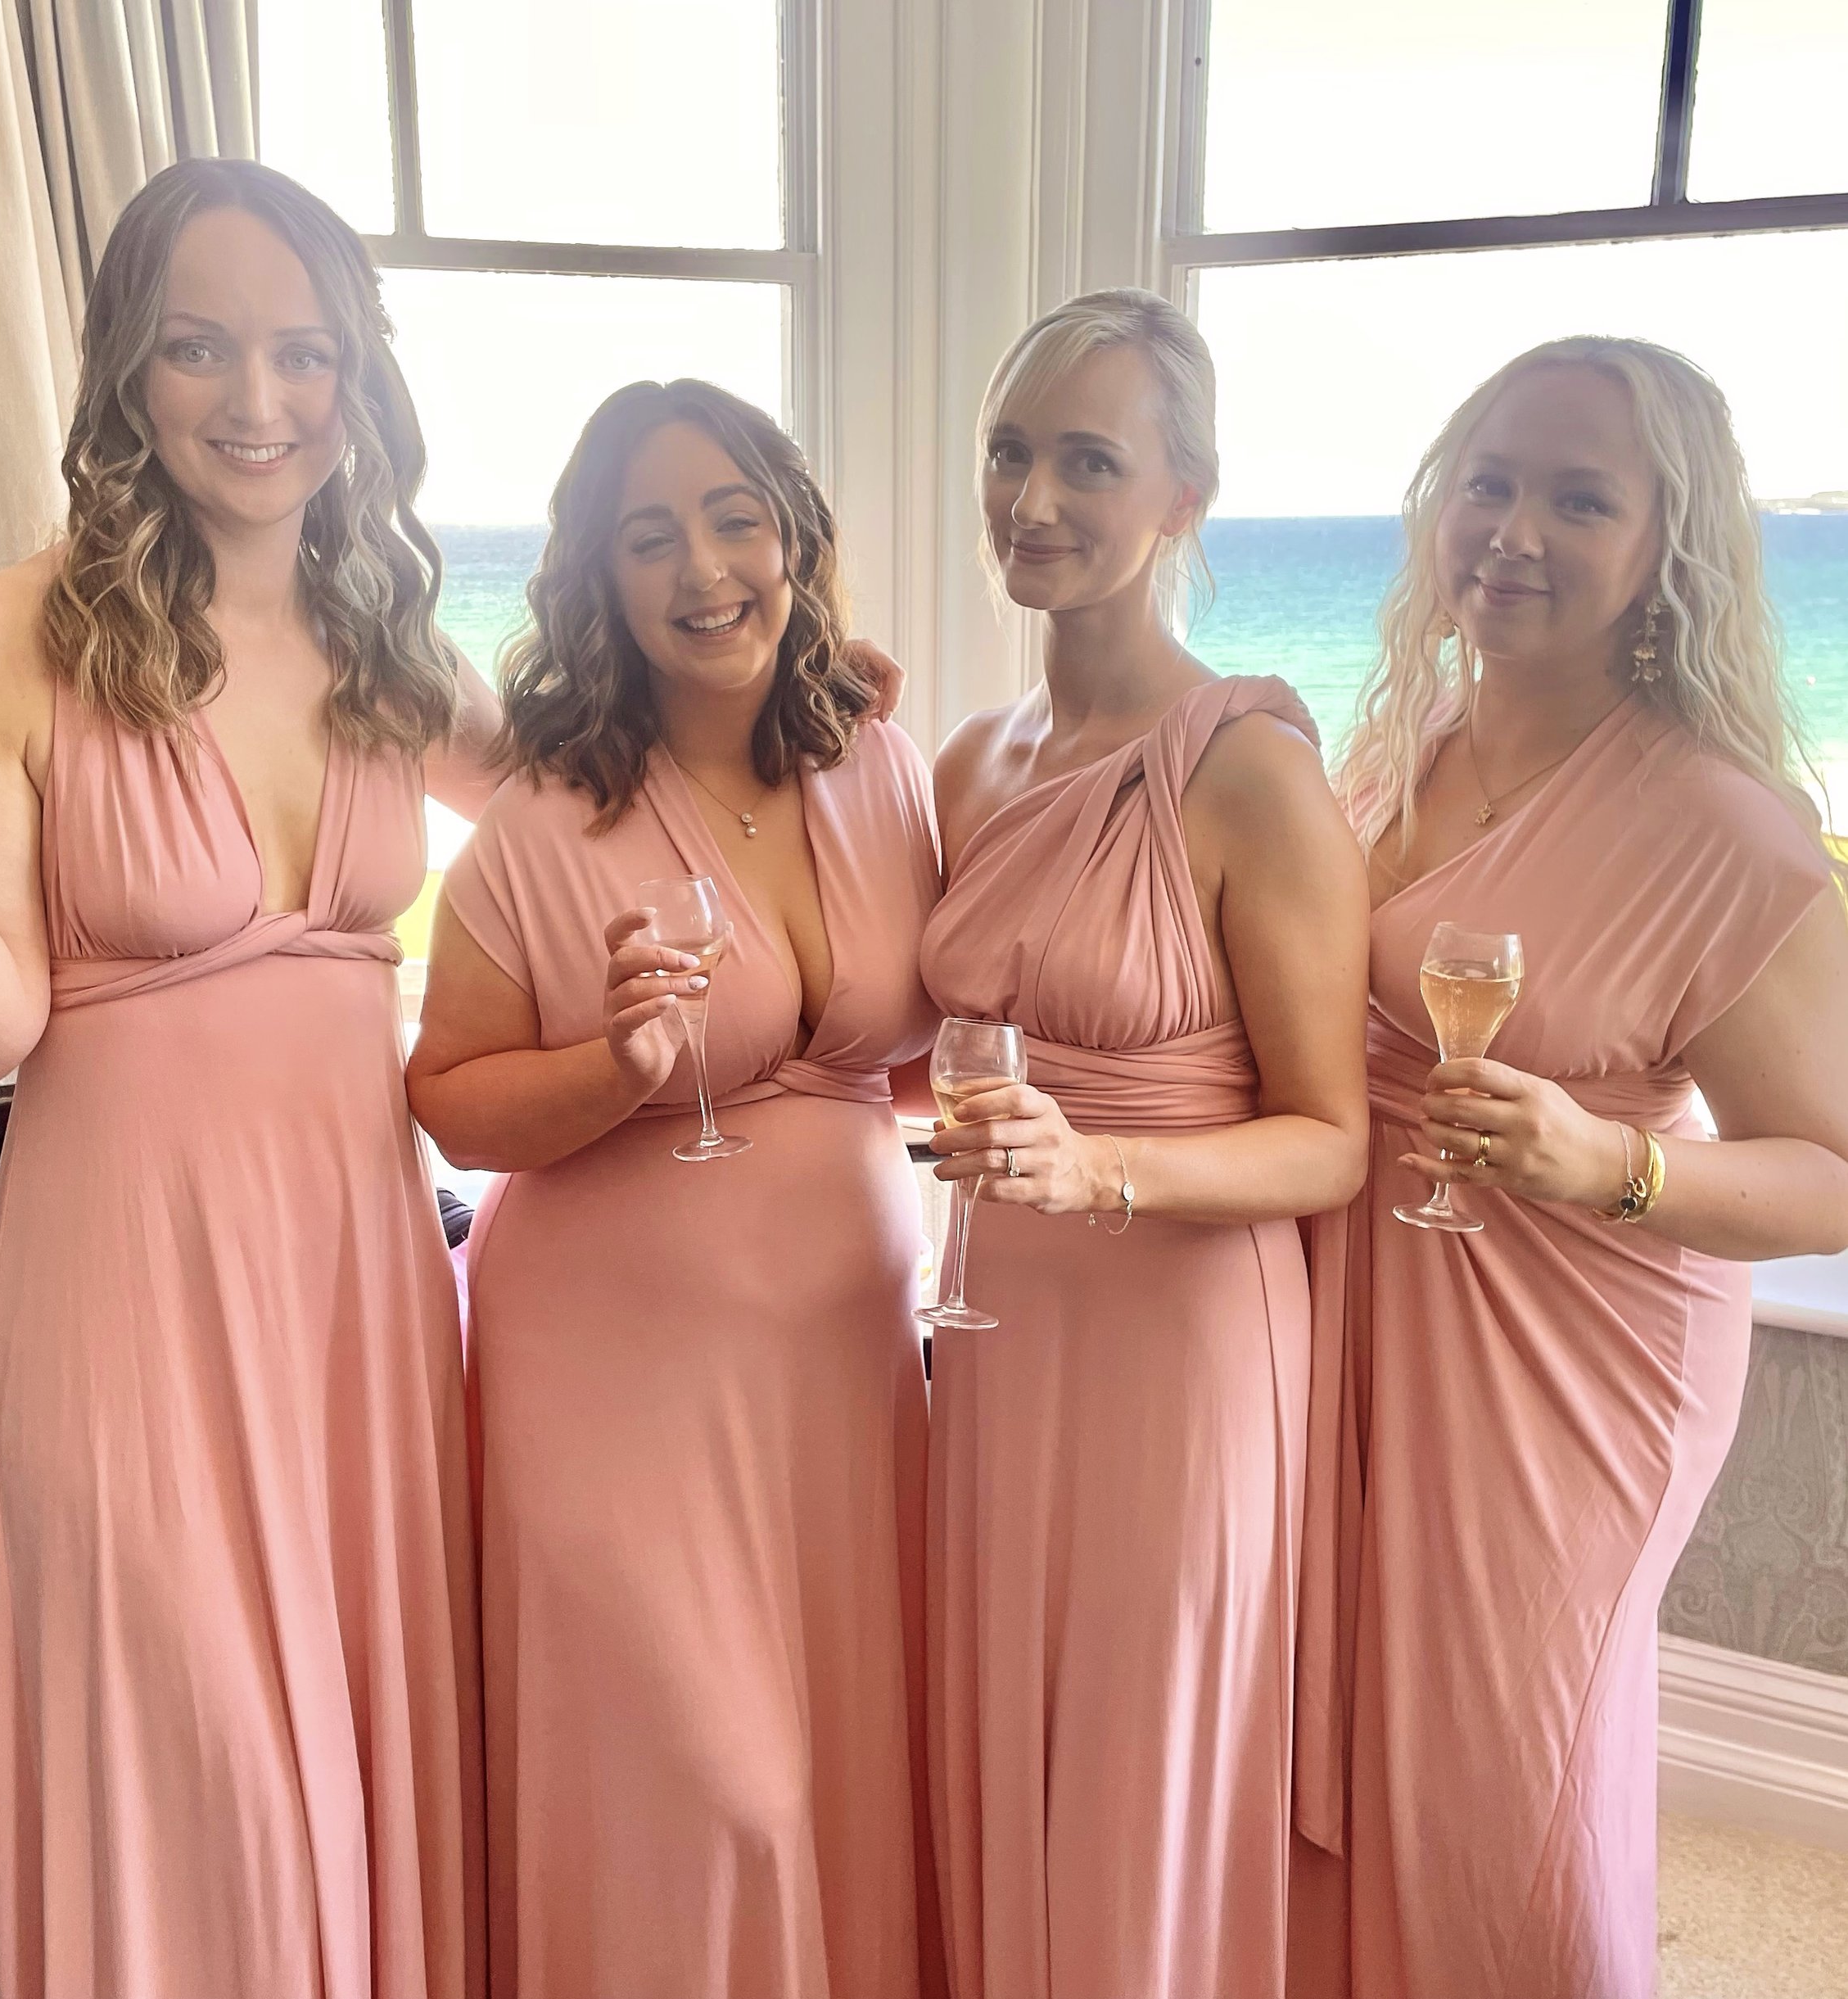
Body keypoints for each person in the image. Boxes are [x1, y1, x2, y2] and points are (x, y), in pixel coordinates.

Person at [0, 158, 499, 1997]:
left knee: (355, 1741)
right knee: (199, 1769)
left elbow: (600, 793)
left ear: (356, 375)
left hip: (355, 1285)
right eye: (199, 349)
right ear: (126, 366)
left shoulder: (390, 640)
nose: (257, 401)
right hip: (128, 1290)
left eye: (302, 352)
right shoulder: (5, 630)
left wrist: (793, 689)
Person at [1288, 337, 1848, 1999]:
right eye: (1489, 483)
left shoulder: (1724, 832)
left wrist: (1609, 1159)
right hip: (1354, 1295)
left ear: (1664, 546)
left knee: (1504, 1788)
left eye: (1579, 500)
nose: (1512, 532)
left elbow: (1831, 1173)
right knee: (1341, 1754)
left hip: (1572, 1357)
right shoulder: (1394, 749)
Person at [405, 378, 943, 1997]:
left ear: (793, 540)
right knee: (717, 1791)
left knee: (842, 1766)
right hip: (617, 1383)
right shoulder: (542, 819)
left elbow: (906, 1055)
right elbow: (449, 1098)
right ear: (600, 577)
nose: (705, 568)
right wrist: (615, 1070)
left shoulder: (881, 766)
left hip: (838, 1383)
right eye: (650, 538)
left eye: (735, 520)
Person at [920, 287, 1369, 1999]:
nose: (1033, 501)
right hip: (999, 1322)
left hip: (1181, 1337)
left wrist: (1101, 1169)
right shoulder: (972, 761)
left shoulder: (1247, 771)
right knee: (1006, 1729)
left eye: (1089, 463)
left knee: (1139, 1759)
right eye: (1009, 453)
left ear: (1184, 495)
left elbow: (1328, 1140)